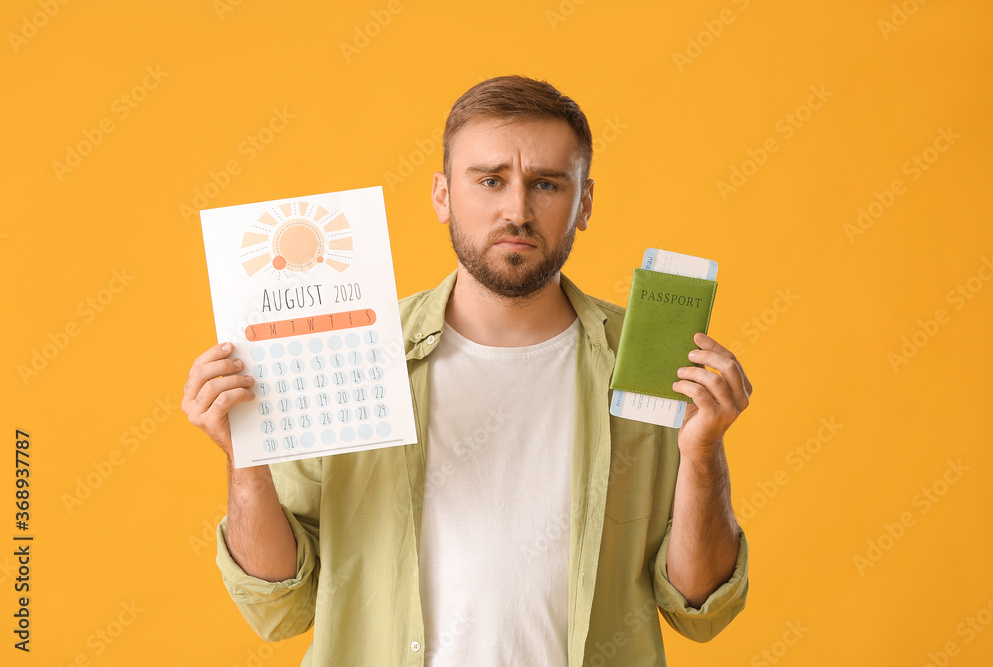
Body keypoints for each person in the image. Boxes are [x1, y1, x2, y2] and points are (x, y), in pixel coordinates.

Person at [182, 75, 752, 666]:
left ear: (583, 203)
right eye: (489, 180)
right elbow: (280, 605)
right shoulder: (351, 356)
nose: (517, 210)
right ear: (442, 196)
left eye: (546, 184)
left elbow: (700, 608)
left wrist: (702, 453)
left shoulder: (650, 367)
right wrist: (245, 458)